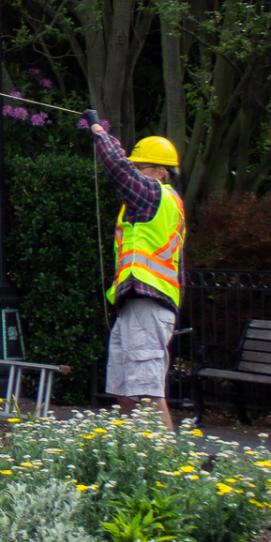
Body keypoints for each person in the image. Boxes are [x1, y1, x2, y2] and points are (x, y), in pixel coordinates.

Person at [85, 109, 186, 430]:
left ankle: (172, 466)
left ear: (158, 171)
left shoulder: (155, 195)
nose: (136, 173)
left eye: (140, 166)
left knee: (147, 389)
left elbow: (118, 169)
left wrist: (100, 132)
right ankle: (128, 454)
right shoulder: (149, 201)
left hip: (149, 303)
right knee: (126, 392)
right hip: (136, 304)